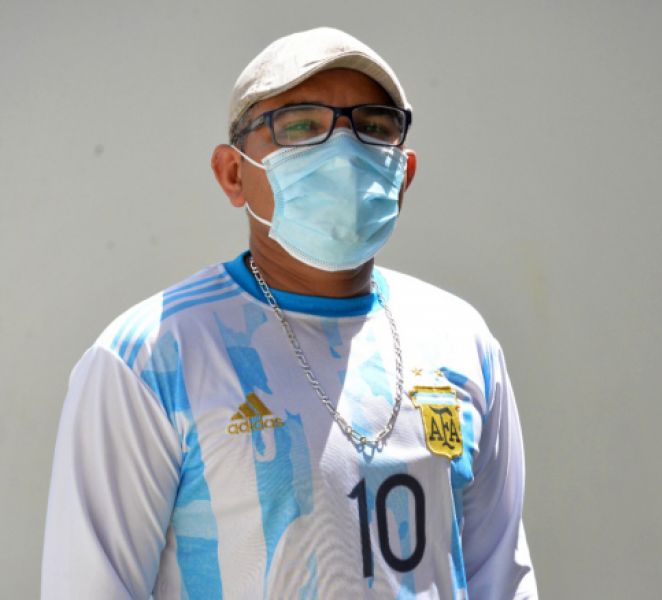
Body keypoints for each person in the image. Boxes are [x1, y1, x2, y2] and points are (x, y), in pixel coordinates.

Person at [41, 26, 537, 599]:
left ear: (403, 174)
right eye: (300, 126)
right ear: (232, 174)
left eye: (374, 127)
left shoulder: (459, 340)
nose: (344, 152)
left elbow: (501, 577)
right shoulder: (151, 357)